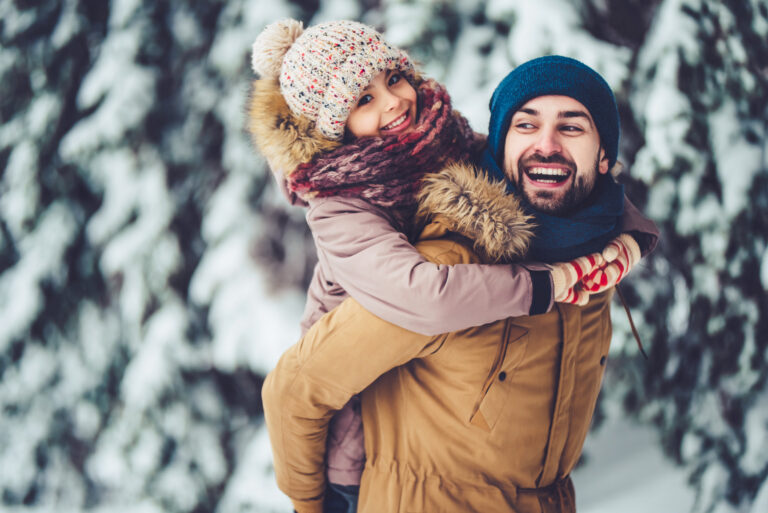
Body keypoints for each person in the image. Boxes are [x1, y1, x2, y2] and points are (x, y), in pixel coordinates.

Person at [260, 54, 659, 513]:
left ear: (605, 154)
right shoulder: (450, 268)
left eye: (571, 127)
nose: (546, 144)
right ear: (501, 145)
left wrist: (631, 240)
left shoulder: (596, 263)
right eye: (526, 125)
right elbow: (293, 388)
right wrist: (312, 506)